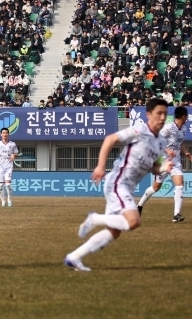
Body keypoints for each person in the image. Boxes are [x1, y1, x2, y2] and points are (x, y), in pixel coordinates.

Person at [64, 98, 170, 271]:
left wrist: (164, 167)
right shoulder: (140, 130)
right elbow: (110, 139)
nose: (162, 117)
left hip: (127, 187)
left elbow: (154, 167)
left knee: (114, 231)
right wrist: (100, 165)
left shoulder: (161, 143)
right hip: (117, 183)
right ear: (149, 115)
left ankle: (74, 257)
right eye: (159, 113)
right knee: (134, 221)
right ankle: (94, 218)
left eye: (165, 113)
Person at [136, 106, 192, 222]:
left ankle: (176, 214)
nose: (187, 118)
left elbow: (180, 143)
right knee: (155, 187)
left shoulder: (184, 129)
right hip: (163, 161)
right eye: (187, 116)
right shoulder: (168, 127)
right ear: (183, 116)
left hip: (175, 162)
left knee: (180, 184)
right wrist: (167, 150)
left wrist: (186, 152)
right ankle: (139, 206)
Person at [0, 127, 20, 207]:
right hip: (0, 167)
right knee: (0, 185)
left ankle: (9, 199)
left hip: (9, 166)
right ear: (1, 134)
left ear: (8, 134)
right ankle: (3, 201)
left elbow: (16, 153)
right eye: (3, 133)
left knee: (8, 185)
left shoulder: (12, 144)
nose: (5, 134)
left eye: (6, 133)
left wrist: (14, 155)